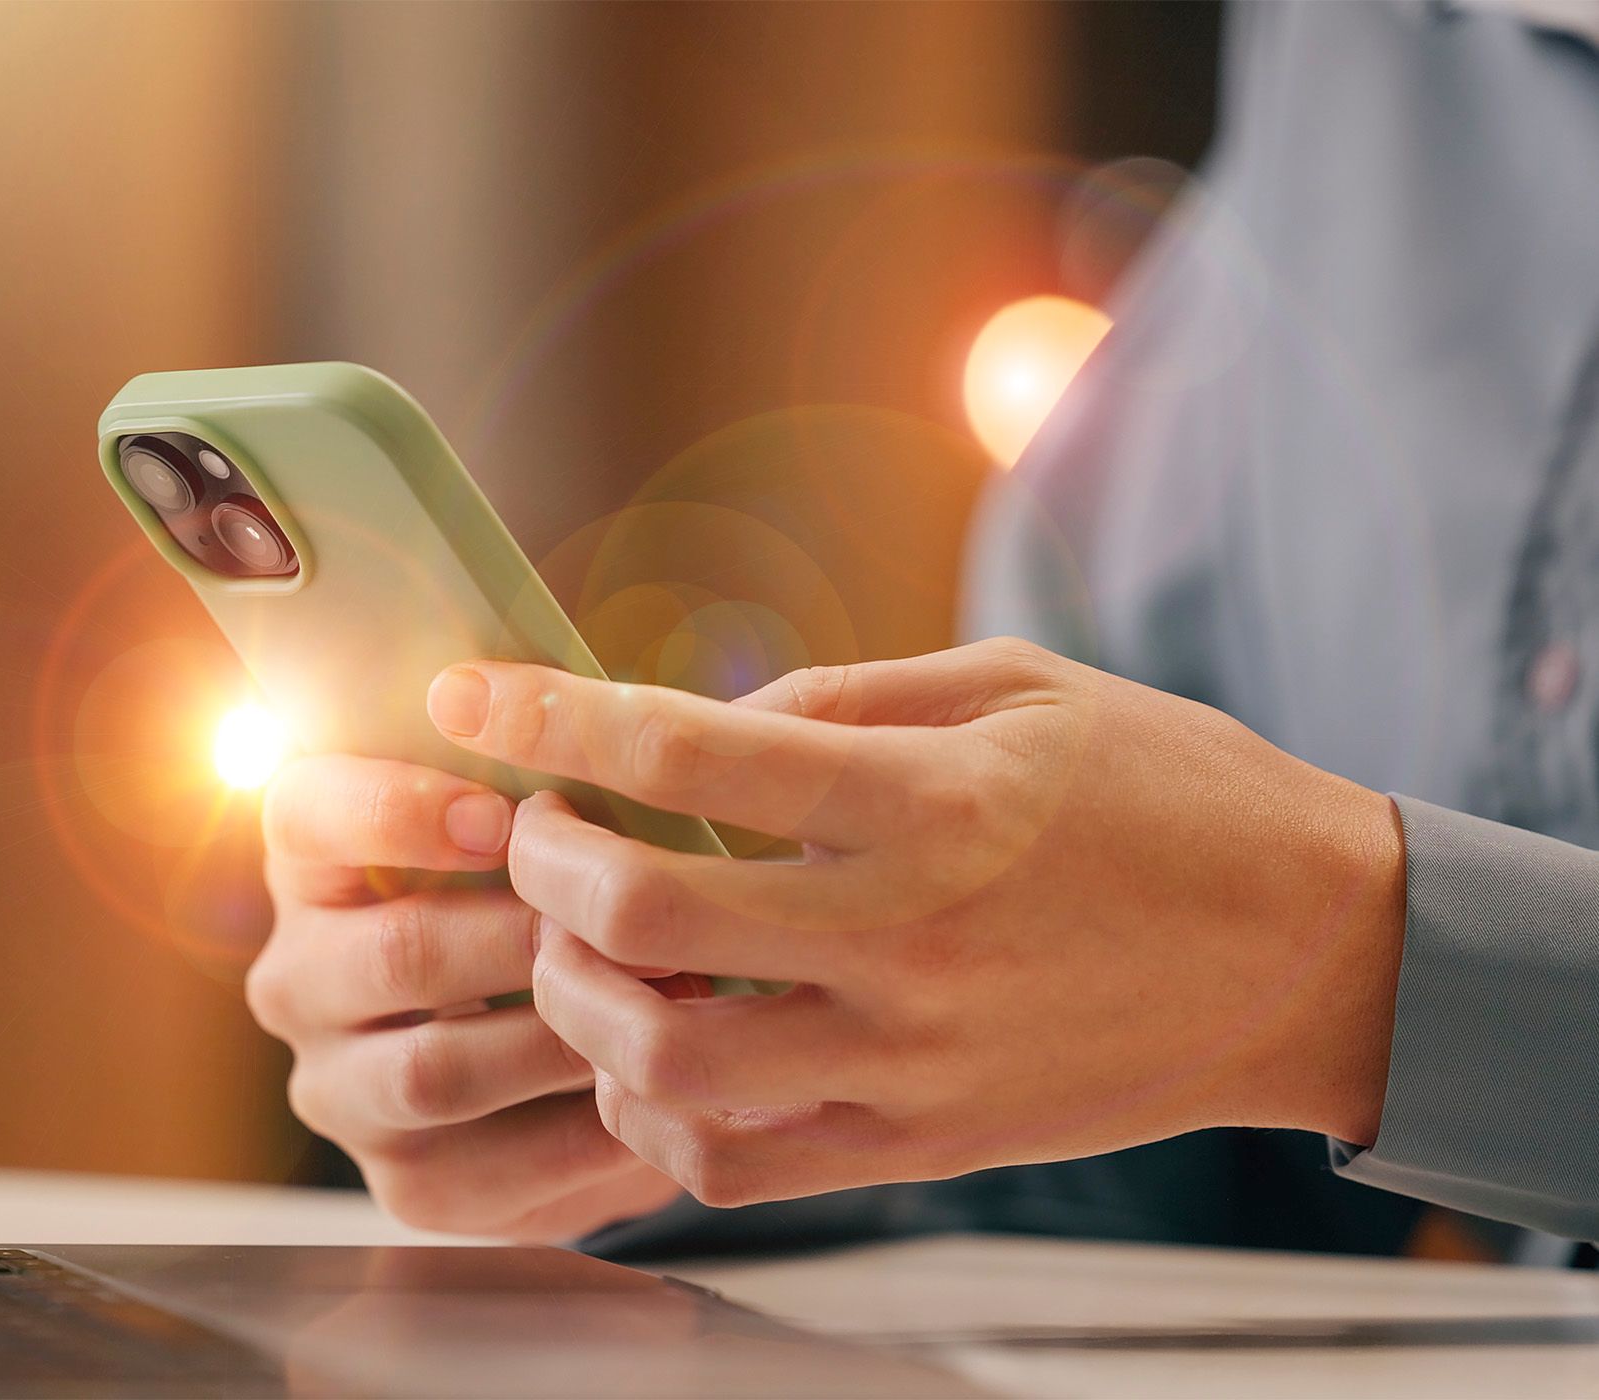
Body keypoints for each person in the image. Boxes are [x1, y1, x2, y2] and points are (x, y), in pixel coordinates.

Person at [242, 0, 1599, 1263]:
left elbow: (1265, 990)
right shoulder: (1345, 66)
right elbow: (1151, 1156)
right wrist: (718, 1080)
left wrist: (1358, 971)